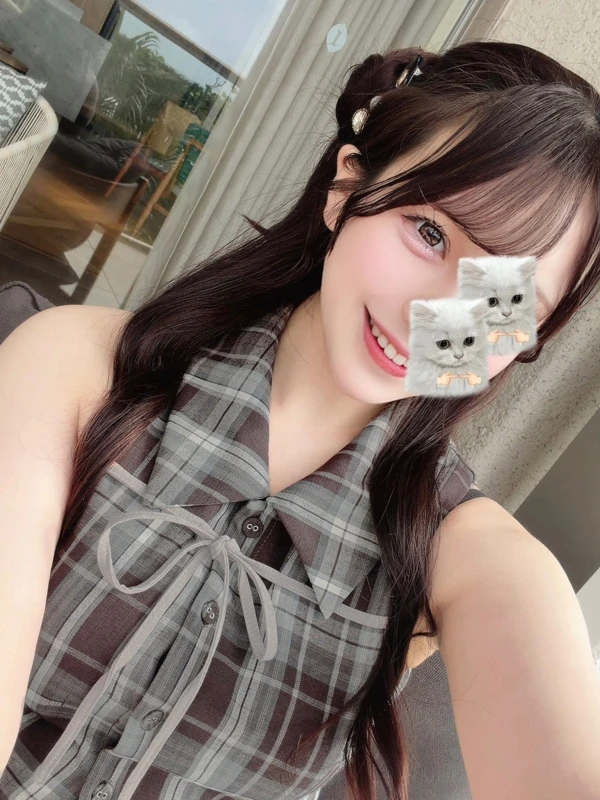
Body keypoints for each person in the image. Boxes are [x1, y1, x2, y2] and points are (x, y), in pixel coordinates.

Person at [1, 39, 600, 800]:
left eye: (502, 301)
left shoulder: (460, 551)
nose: (432, 318)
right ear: (347, 188)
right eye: (429, 233)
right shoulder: (81, 368)